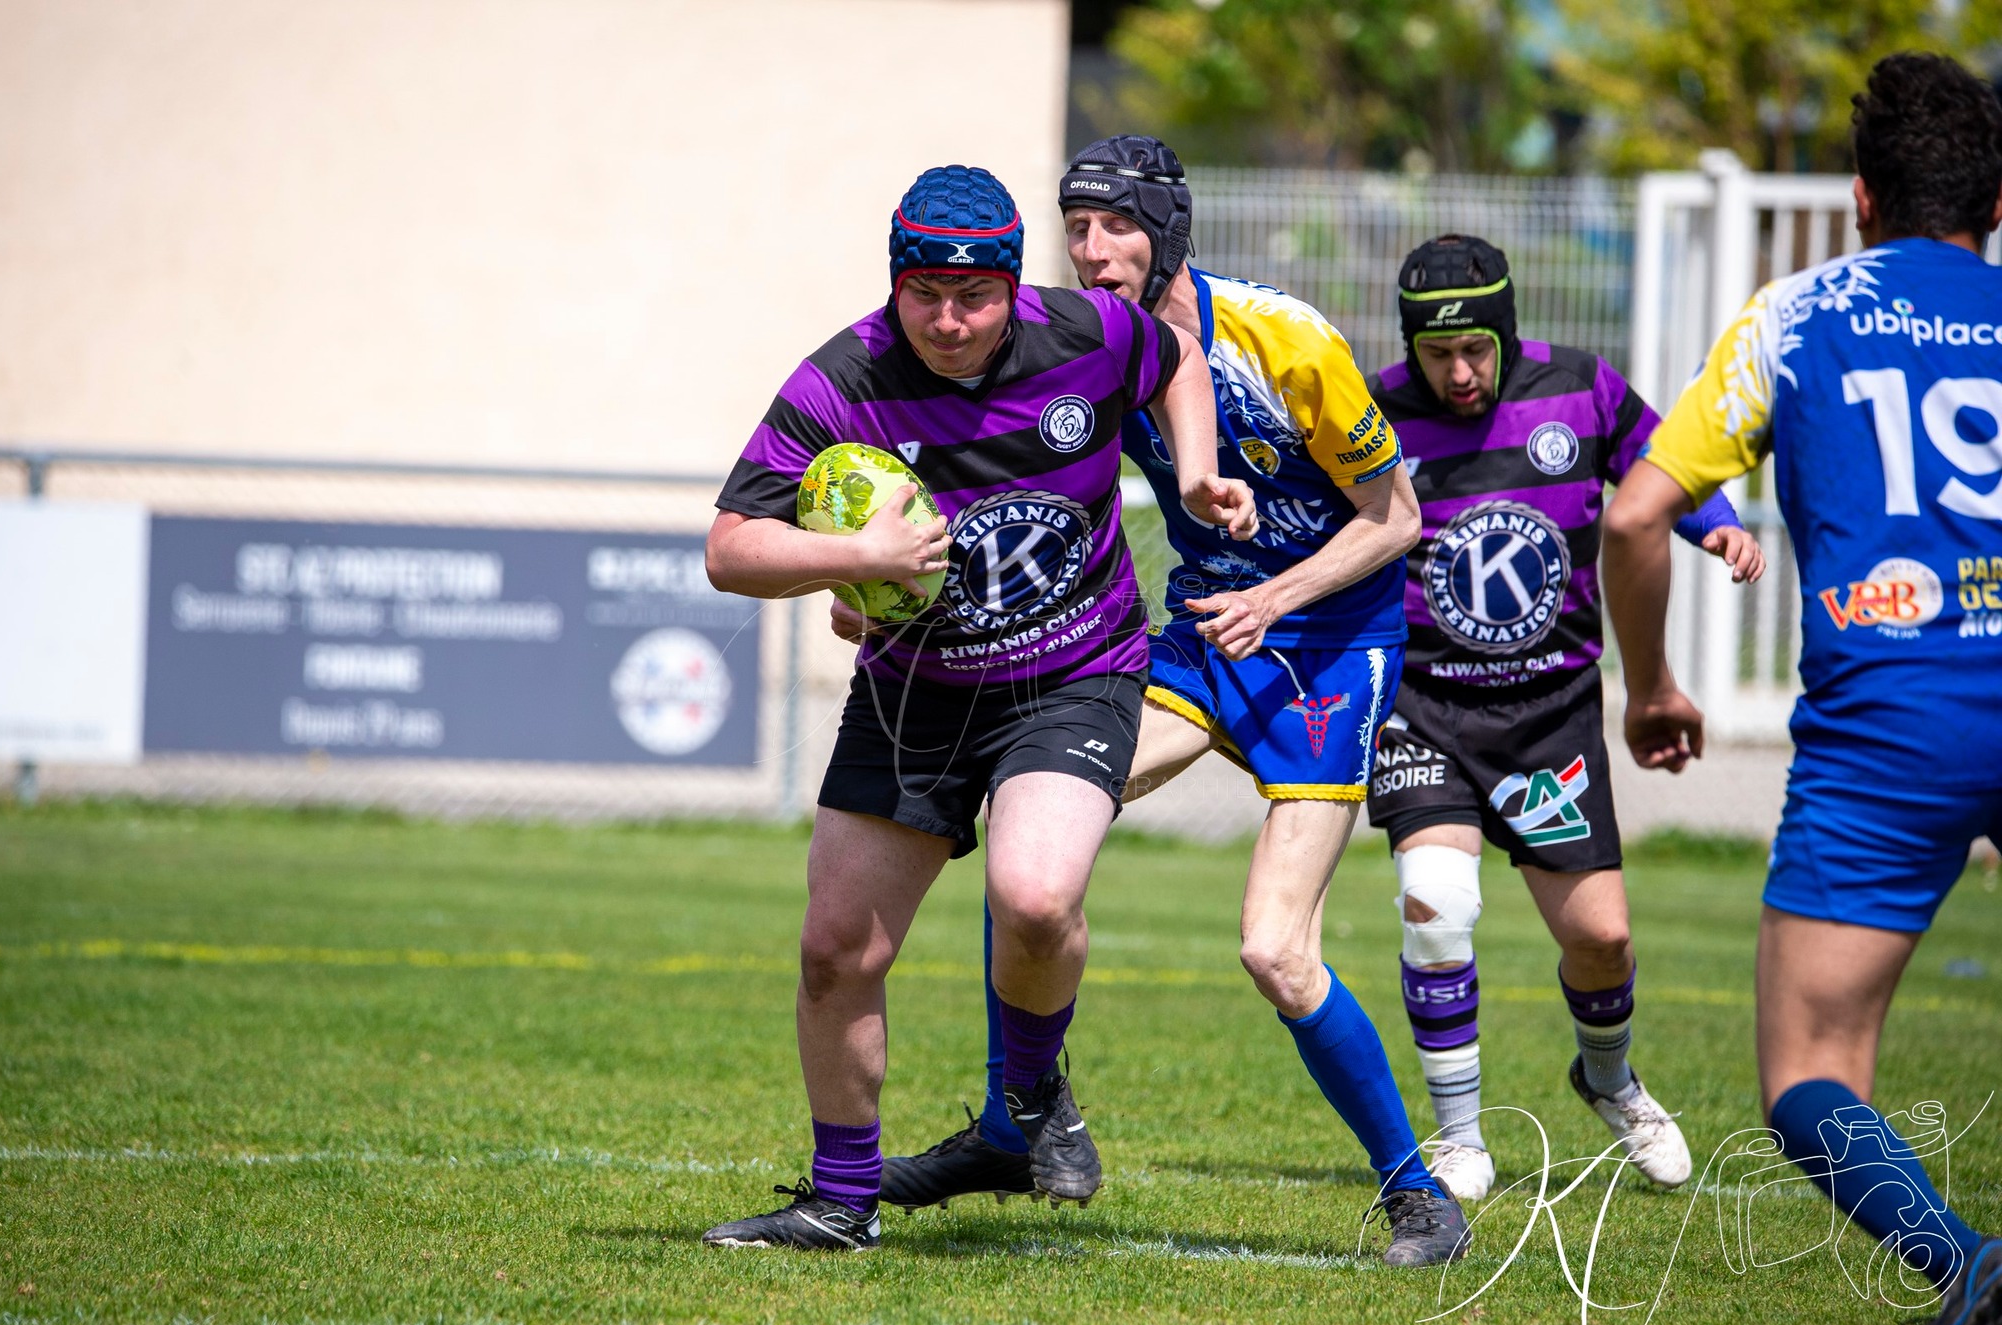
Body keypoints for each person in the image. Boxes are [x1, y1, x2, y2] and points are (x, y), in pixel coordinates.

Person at [854, 135, 1471, 1267]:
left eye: (1117, 226)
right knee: (1028, 829)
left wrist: (1275, 595)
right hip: (1200, 637)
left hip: (1329, 645)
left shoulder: (1282, 339)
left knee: (1273, 950)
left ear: (1169, 227)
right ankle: (1019, 1117)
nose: (1092, 251)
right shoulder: (1094, 344)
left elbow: (1395, 520)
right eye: (1076, 227)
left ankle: (1416, 1195)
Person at [700, 163, 1246, 1251]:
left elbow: (1179, 359)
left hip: (1072, 672)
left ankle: (1029, 1103)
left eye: (973, 296)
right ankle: (841, 1202)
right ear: (895, 283)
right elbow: (729, 547)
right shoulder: (841, 376)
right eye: (924, 294)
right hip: (914, 694)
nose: (947, 320)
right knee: (833, 950)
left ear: (1010, 285)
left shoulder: (1087, 333)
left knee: (1035, 896)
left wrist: (1193, 474)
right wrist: (848, 559)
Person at [1600, 52, 2002, 1325]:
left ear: (1859, 198)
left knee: (1814, 1070)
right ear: (1994, 211)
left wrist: (1654, 679)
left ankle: (1970, 1264)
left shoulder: (1799, 313)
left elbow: (1636, 512)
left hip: (1893, 720)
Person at [1360, 235, 1767, 1200]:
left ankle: (1608, 1077)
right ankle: (1458, 1134)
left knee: (1602, 941)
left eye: (1475, 352)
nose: (1458, 373)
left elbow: (1654, 467)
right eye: (1436, 355)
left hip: (1551, 715)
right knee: (1437, 905)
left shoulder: (1581, 389)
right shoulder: (1371, 407)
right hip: (1426, 705)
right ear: (1411, 347)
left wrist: (1713, 528)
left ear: (1505, 331)